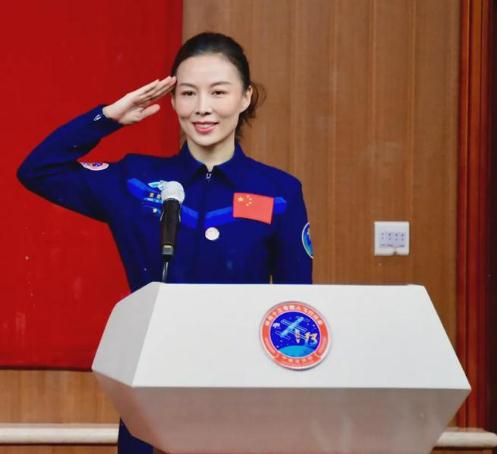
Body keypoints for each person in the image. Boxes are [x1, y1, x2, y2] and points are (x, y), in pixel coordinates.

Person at [18, 32, 313, 453]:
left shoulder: (279, 191)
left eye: (219, 92)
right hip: (150, 392)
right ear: (173, 101)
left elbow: (296, 304)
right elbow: (38, 170)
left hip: (242, 393)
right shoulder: (135, 181)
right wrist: (108, 117)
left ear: (245, 97)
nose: (202, 107)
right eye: (188, 93)